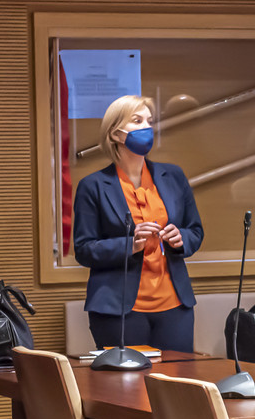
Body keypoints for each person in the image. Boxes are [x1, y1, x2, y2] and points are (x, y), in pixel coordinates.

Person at [73, 94, 203, 353]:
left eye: (149, 121)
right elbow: (84, 249)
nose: (147, 127)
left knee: (179, 377)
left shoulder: (173, 176)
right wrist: (130, 244)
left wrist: (181, 239)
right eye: (137, 120)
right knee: (128, 379)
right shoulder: (92, 186)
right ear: (115, 134)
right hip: (118, 309)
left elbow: (195, 231)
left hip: (175, 306)